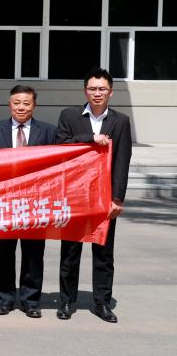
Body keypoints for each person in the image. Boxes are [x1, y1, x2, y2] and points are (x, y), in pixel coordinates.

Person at [56, 67, 131, 324]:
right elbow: (61, 146)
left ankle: (102, 303)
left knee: (103, 253)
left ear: (111, 92)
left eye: (102, 89)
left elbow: (122, 160)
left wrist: (117, 198)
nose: (97, 93)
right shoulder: (69, 116)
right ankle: (67, 301)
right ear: (85, 91)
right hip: (75, 195)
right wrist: (91, 138)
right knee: (70, 251)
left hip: (104, 196)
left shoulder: (120, 121)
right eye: (92, 89)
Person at [0, 85, 56, 319]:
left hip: (35, 202)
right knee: (4, 252)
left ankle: (31, 301)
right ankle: (3, 299)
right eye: (16, 103)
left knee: (33, 253)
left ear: (34, 105)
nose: (21, 107)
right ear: (9, 105)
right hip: (4, 202)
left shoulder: (49, 132)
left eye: (26, 103)